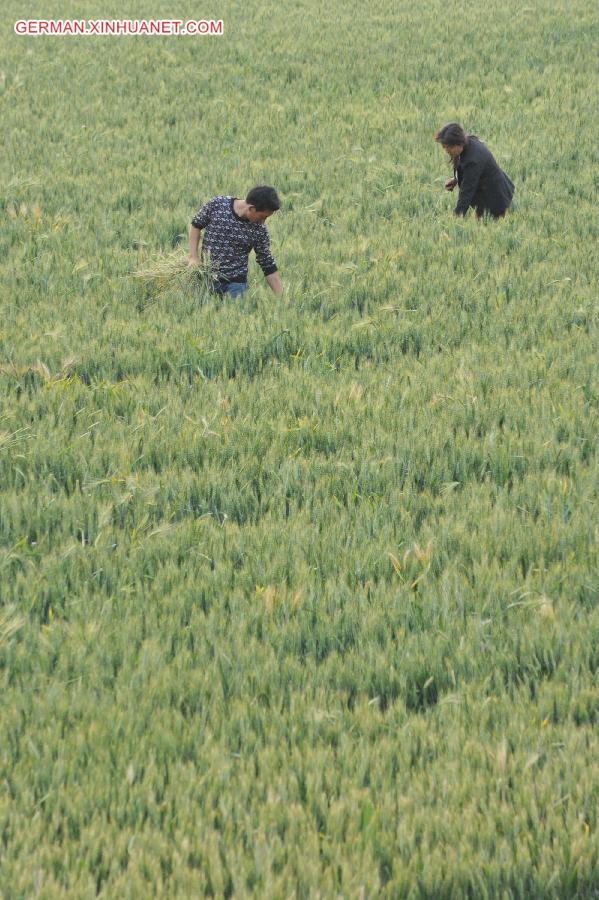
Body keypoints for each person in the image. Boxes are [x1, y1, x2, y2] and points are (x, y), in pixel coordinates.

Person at [188, 185, 282, 297]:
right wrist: (193, 257)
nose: (263, 222)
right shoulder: (218, 204)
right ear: (251, 208)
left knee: (234, 313)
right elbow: (196, 225)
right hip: (206, 278)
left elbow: (267, 263)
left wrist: (281, 299)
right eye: (262, 217)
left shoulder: (260, 230)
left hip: (236, 285)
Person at [435, 123, 514, 219]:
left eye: (449, 147)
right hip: (488, 192)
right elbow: (462, 164)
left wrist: (455, 218)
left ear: (458, 143)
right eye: (444, 147)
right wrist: (456, 179)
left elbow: (466, 193)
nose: (446, 150)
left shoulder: (473, 161)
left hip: (496, 199)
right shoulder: (467, 143)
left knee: (487, 227)